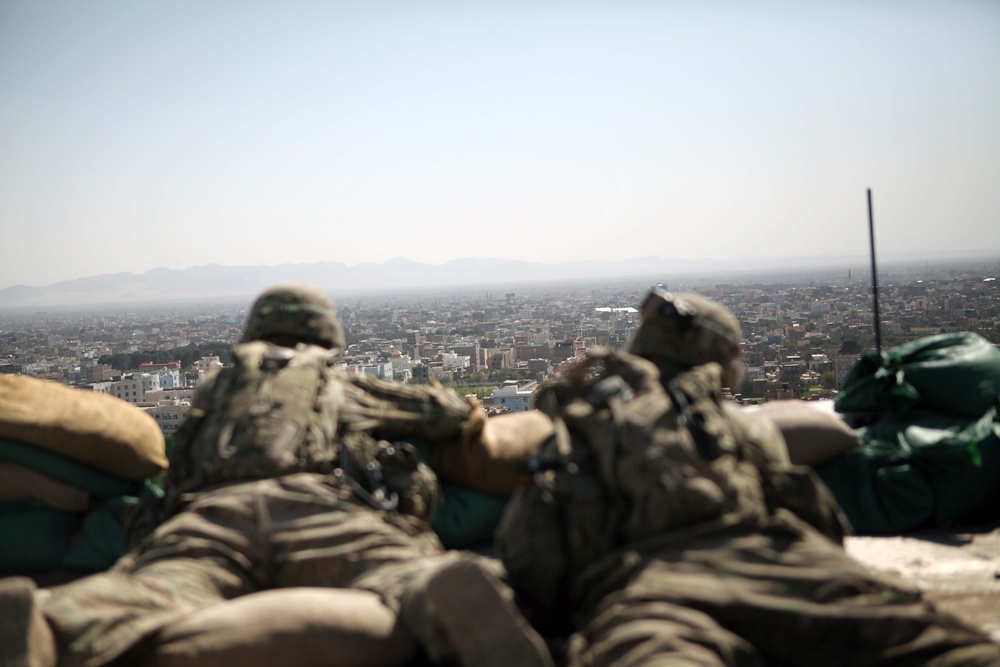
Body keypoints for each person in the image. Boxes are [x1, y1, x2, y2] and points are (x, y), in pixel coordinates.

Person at [0, 282, 552, 667]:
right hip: (319, 502)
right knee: (398, 571)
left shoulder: (214, 390)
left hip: (214, 514)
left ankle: (53, 625)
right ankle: (443, 593)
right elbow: (446, 413)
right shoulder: (329, 380)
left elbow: (175, 476)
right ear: (323, 340)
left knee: (154, 587)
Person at [496, 287, 1000, 667]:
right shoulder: (737, 428)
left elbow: (535, 559)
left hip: (655, 592)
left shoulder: (577, 432)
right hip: (788, 569)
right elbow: (815, 517)